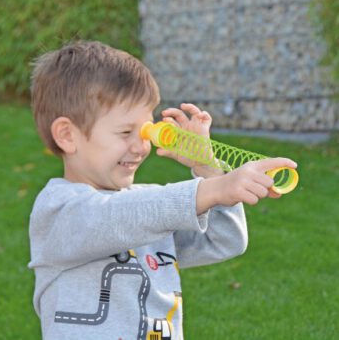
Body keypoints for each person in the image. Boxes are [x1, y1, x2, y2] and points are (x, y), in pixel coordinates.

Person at [28, 40, 297, 340]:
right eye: (125, 132)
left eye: (146, 130)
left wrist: (208, 169)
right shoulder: (57, 211)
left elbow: (225, 240)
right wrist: (213, 189)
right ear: (67, 135)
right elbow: (120, 217)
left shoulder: (153, 207)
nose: (141, 146)